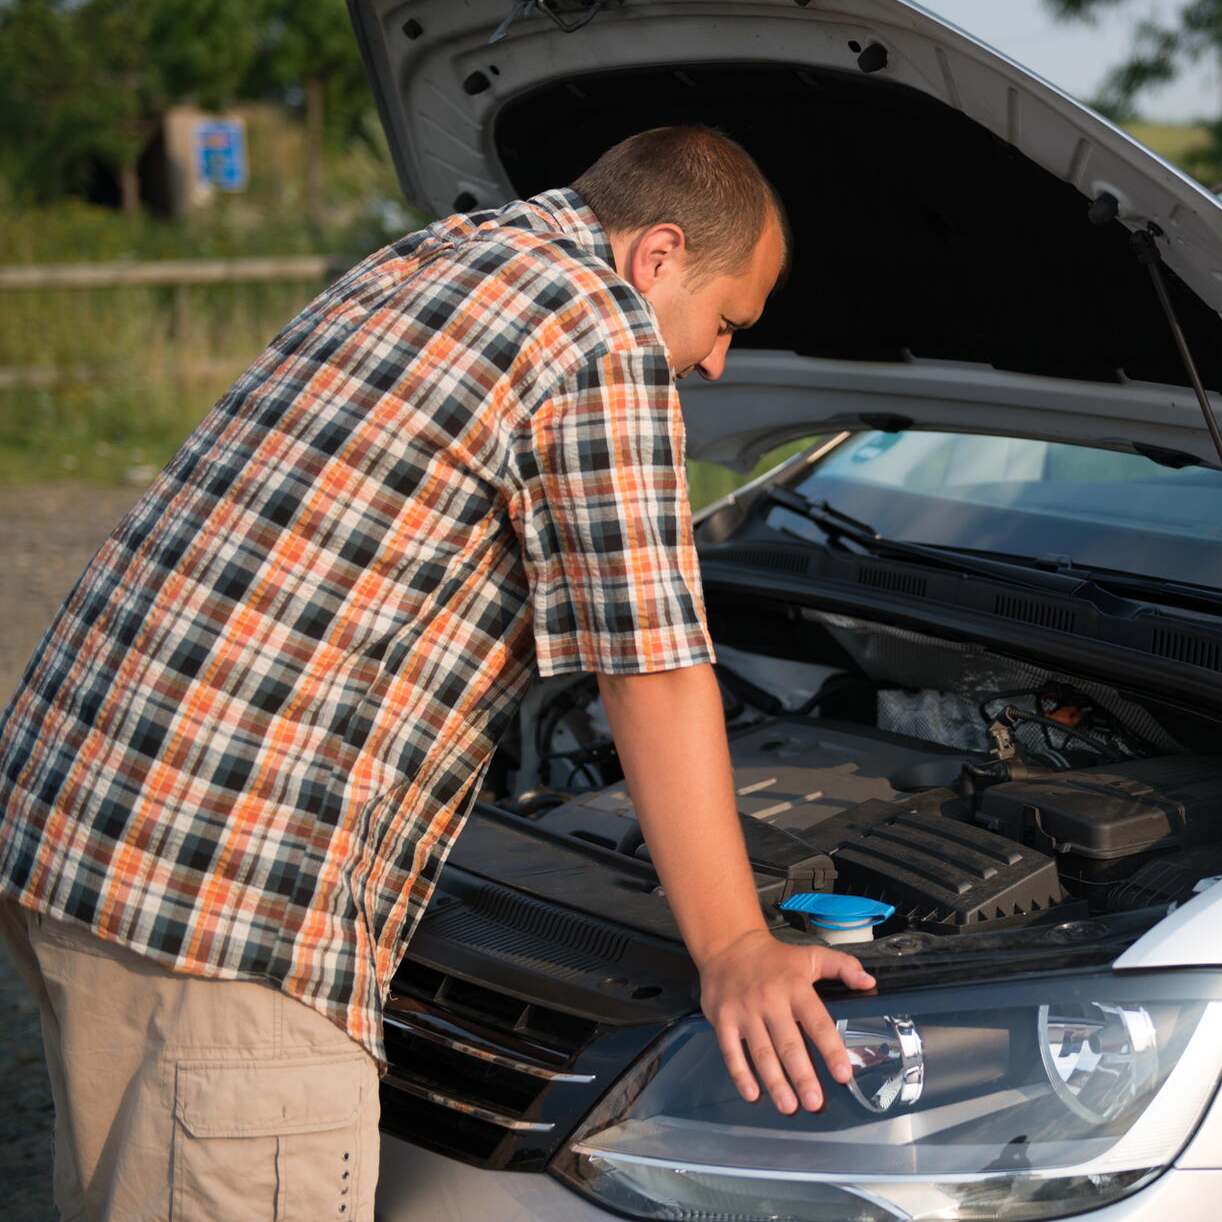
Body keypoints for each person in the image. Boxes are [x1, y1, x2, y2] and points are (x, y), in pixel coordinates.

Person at [0, 125, 870, 1221]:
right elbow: (648, 665)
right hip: (230, 906)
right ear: (656, 257)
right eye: (726, 321)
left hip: (77, 832)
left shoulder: (429, 259)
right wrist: (739, 945)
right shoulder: (596, 330)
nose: (714, 363)